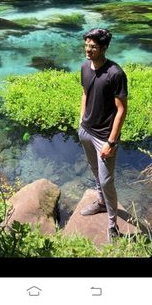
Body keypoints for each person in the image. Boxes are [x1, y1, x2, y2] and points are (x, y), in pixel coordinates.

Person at [78, 28, 128, 242]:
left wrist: (111, 141)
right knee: (95, 172)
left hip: (104, 138)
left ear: (104, 48)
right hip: (86, 132)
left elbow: (122, 110)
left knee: (107, 181)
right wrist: (81, 120)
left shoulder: (115, 73)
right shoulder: (84, 67)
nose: (88, 50)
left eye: (93, 46)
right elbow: (85, 93)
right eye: (87, 45)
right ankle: (99, 203)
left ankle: (112, 225)